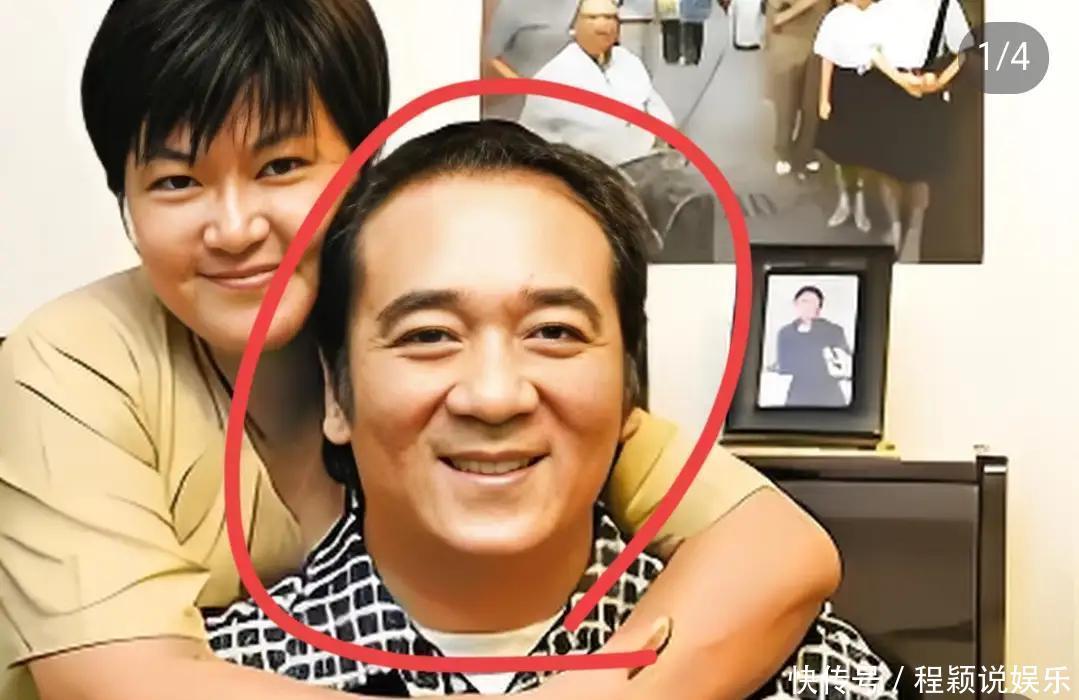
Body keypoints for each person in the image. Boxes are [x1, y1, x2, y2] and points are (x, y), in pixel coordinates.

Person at [0, 2, 843, 699]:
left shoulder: (436, 350)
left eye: (281, 166)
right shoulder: (74, 364)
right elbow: (118, 680)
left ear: (366, 166)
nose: (233, 229)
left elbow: (775, 550)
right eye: (176, 182)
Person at [204, 119, 897, 698]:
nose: (494, 395)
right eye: (429, 336)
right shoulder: (213, 674)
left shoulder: (808, 673)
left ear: (629, 386)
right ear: (335, 391)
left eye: (554, 332)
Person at [859, 0, 973, 261]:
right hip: (888, 90)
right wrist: (899, 79)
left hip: (927, 92)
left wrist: (939, 82)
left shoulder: (946, 5)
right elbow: (868, 50)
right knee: (887, 165)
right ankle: (894, 226)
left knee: (922, 169)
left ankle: (914, 232)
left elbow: (965, 51)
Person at [518, 0, 675, 167]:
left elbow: (658, 111)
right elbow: (603, 141)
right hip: (580, 171)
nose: (603, 27)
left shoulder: (628, 61)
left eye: (610, 18)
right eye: (593, 18)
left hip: (643, 163)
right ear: (575, 26)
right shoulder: (554, 77)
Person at [814, 0, 878, 233]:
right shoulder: (836, 18)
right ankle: (844, 201)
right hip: (843, 86)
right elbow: (827, 60)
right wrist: (823, 98)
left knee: (865, 149)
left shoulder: (882, 15)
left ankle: (860, 203)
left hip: (873, 86)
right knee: (841, 150)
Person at [763, 0, 830, 177]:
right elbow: (775, 17)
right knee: (786, 101)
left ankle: (805, 151)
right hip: (788, 39)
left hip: (819, 38)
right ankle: (783, 150)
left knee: (812, 102)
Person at [773, 286, 852, 407]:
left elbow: (844, 361)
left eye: (813, 302)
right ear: (795, 304)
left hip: (829, 393)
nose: (808, 306)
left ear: (819, 307)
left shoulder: (833, 330)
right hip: (799, 393)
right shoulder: (786, 332)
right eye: (804, 301)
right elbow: (784, 366)